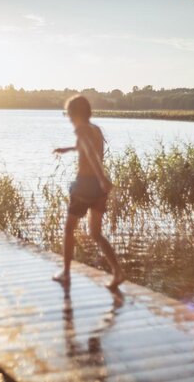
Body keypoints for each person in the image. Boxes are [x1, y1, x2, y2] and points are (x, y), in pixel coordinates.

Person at [52, 95, 126, 289]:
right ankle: (117, 271)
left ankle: (66, 273)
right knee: (95, 233)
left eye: (69, 112)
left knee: (69, 230)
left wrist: (102, 178)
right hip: (99, 190)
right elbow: (85, 147)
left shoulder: (81, 129)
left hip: (85, 185)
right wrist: (66, 149)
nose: (68, 116)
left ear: (75, 113)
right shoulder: (95, 129)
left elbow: (92, 155)